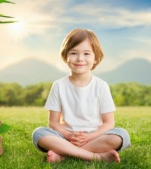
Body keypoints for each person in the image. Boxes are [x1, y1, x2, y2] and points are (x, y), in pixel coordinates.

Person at [32, 28, 131, 163]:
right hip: (65, 137)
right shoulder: (58, 85)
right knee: (38, 133)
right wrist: (68, 135)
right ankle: (95, 157)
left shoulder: (101, 86)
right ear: (65, 56)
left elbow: (108, 123)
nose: (80, 59)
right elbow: (53, 122)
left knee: (121, 135)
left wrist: (87, 138)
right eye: (73, 53)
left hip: (95, 137)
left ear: (95, 58)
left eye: (86, 53)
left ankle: (63, 155)